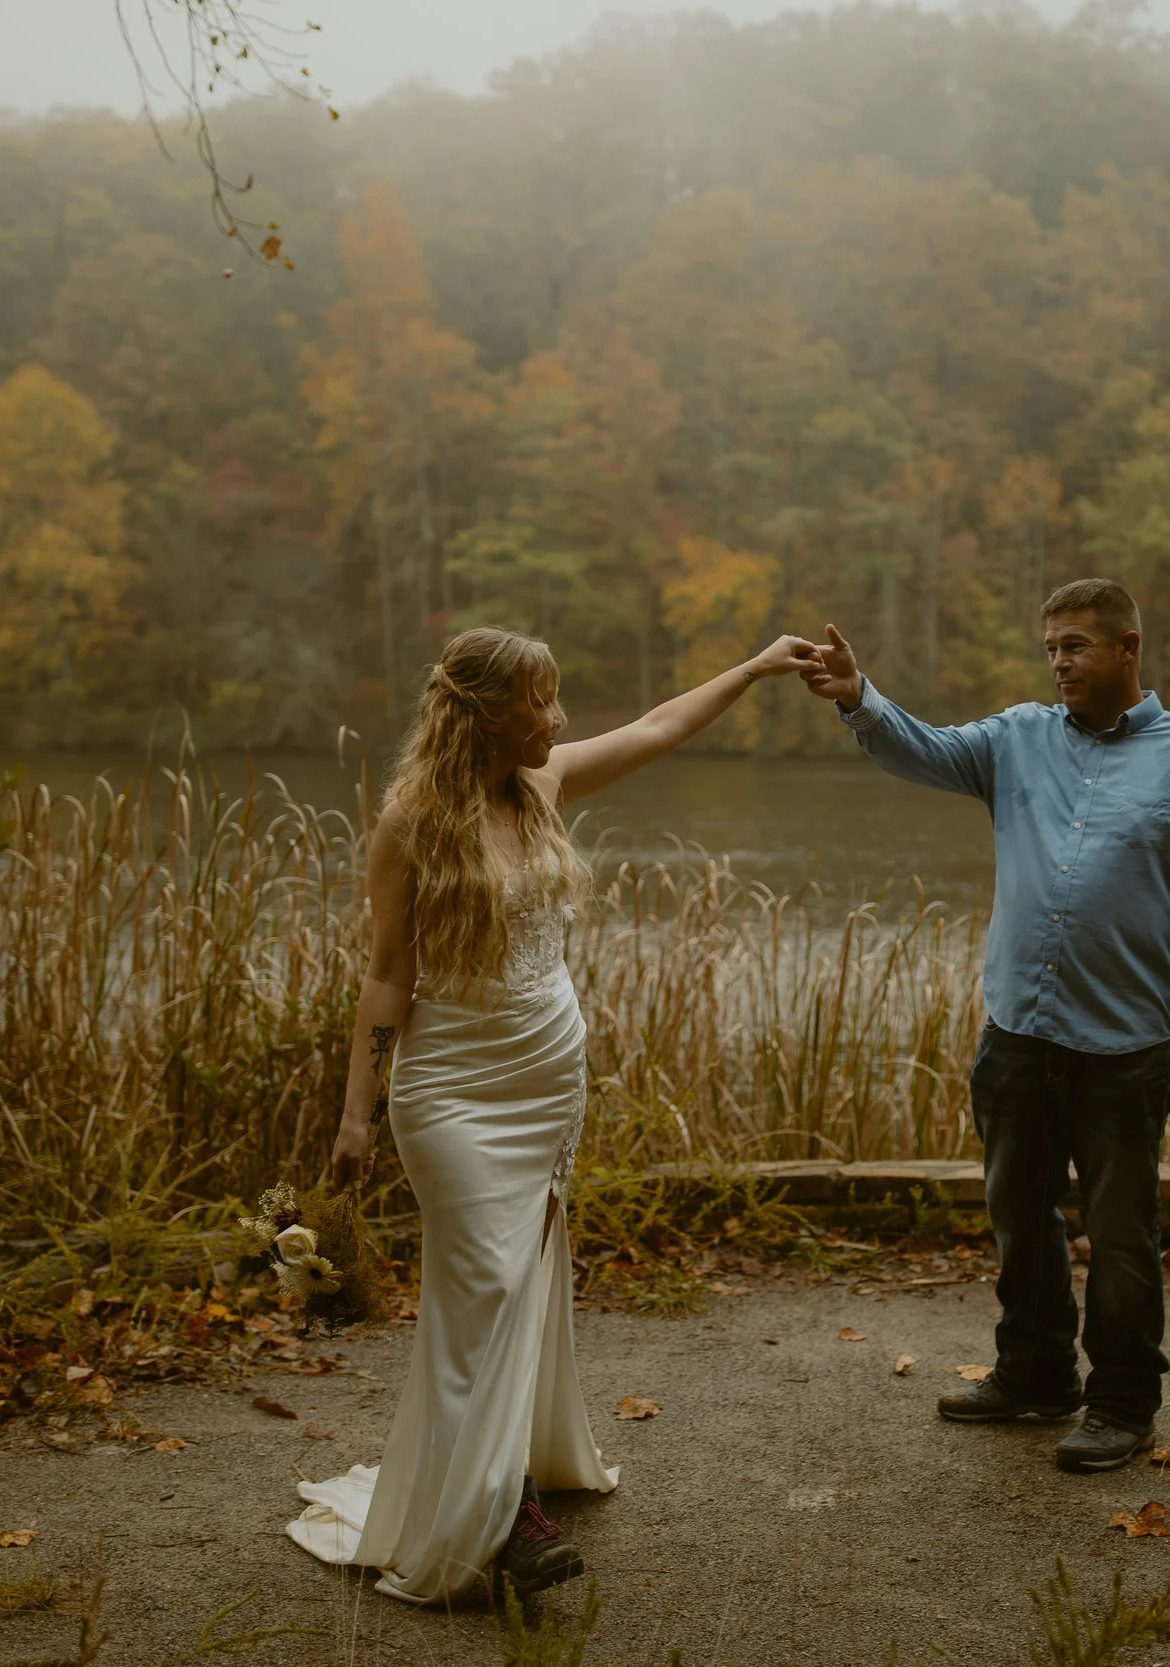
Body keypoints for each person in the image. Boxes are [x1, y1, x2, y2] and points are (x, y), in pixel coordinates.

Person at [289, 624, 813, 1604]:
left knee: (517, 1283)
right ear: (486, 713)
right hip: (450, 1085)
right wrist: (357, 1114)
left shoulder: (539, 786)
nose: (560, 718)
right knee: (480, 1286)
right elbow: (386, 972)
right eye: (542, 699)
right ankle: (505, 1509)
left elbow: (659, 724)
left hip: (544, 1079)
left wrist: (752, 669)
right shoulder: (409, 821)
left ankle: (505, 1476)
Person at [796, 578, 1170, 1474]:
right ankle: (1036, 1373)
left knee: (1122, 1231)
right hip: (1017, 1036)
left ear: (1128, 647)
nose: (1058, 663)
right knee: (1019, 1213)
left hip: (1124, 1047)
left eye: (1076, 646)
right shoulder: (1015, 738)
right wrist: (858, 696)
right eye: (1049, 647)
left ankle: (1124, 1400)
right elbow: (920, 748)